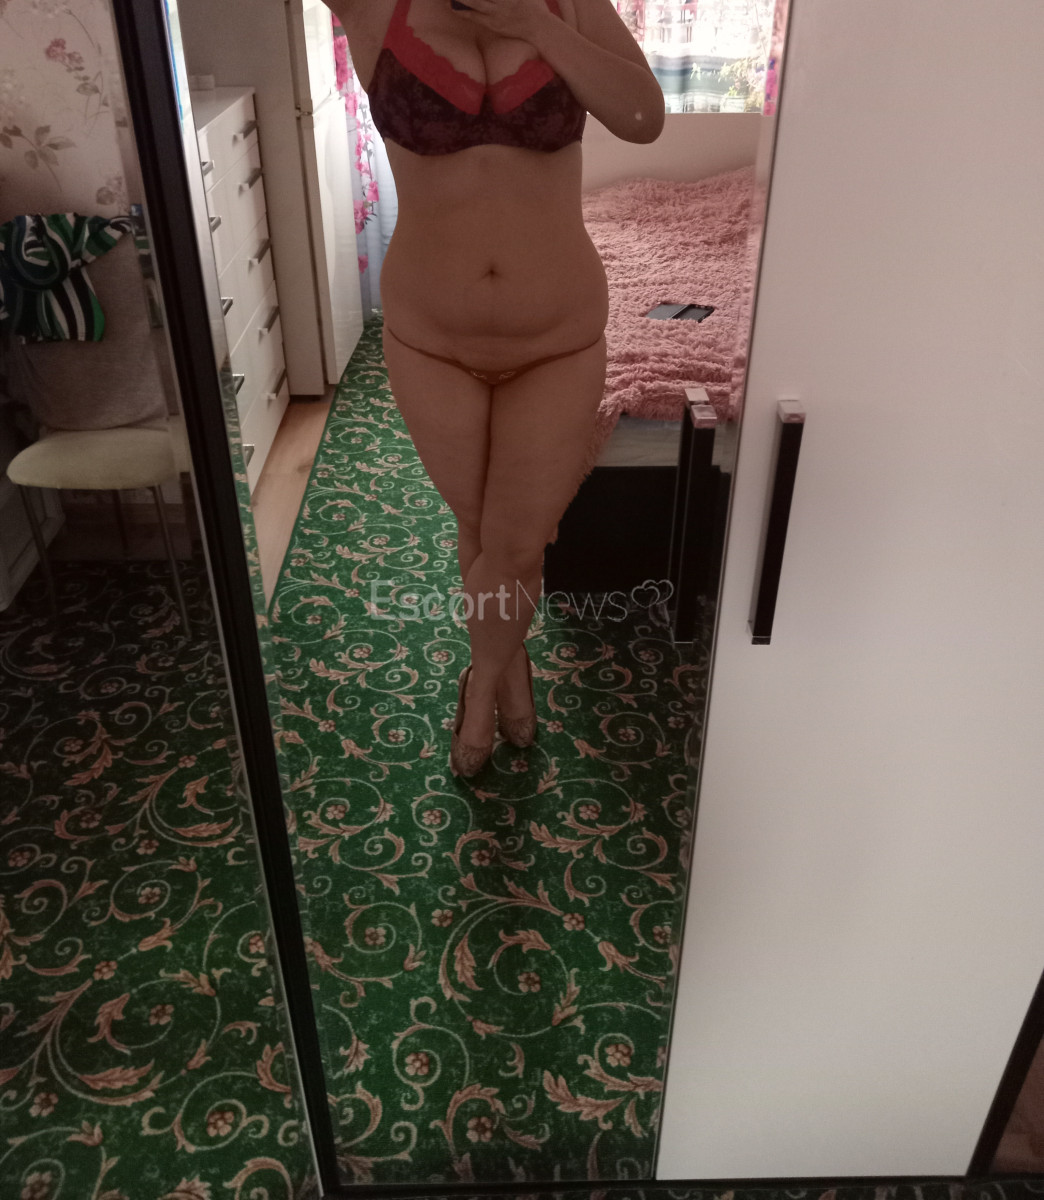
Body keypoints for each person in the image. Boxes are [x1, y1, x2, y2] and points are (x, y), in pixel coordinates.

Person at [328, 0, 664, 776]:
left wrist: (537, 25)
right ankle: (510, 664)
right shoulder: (377, 8)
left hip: (558, 341)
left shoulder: (570, 6)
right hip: (430, 342)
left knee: (513, 541)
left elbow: (643, 118)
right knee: (484, 526)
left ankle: (481, 685)